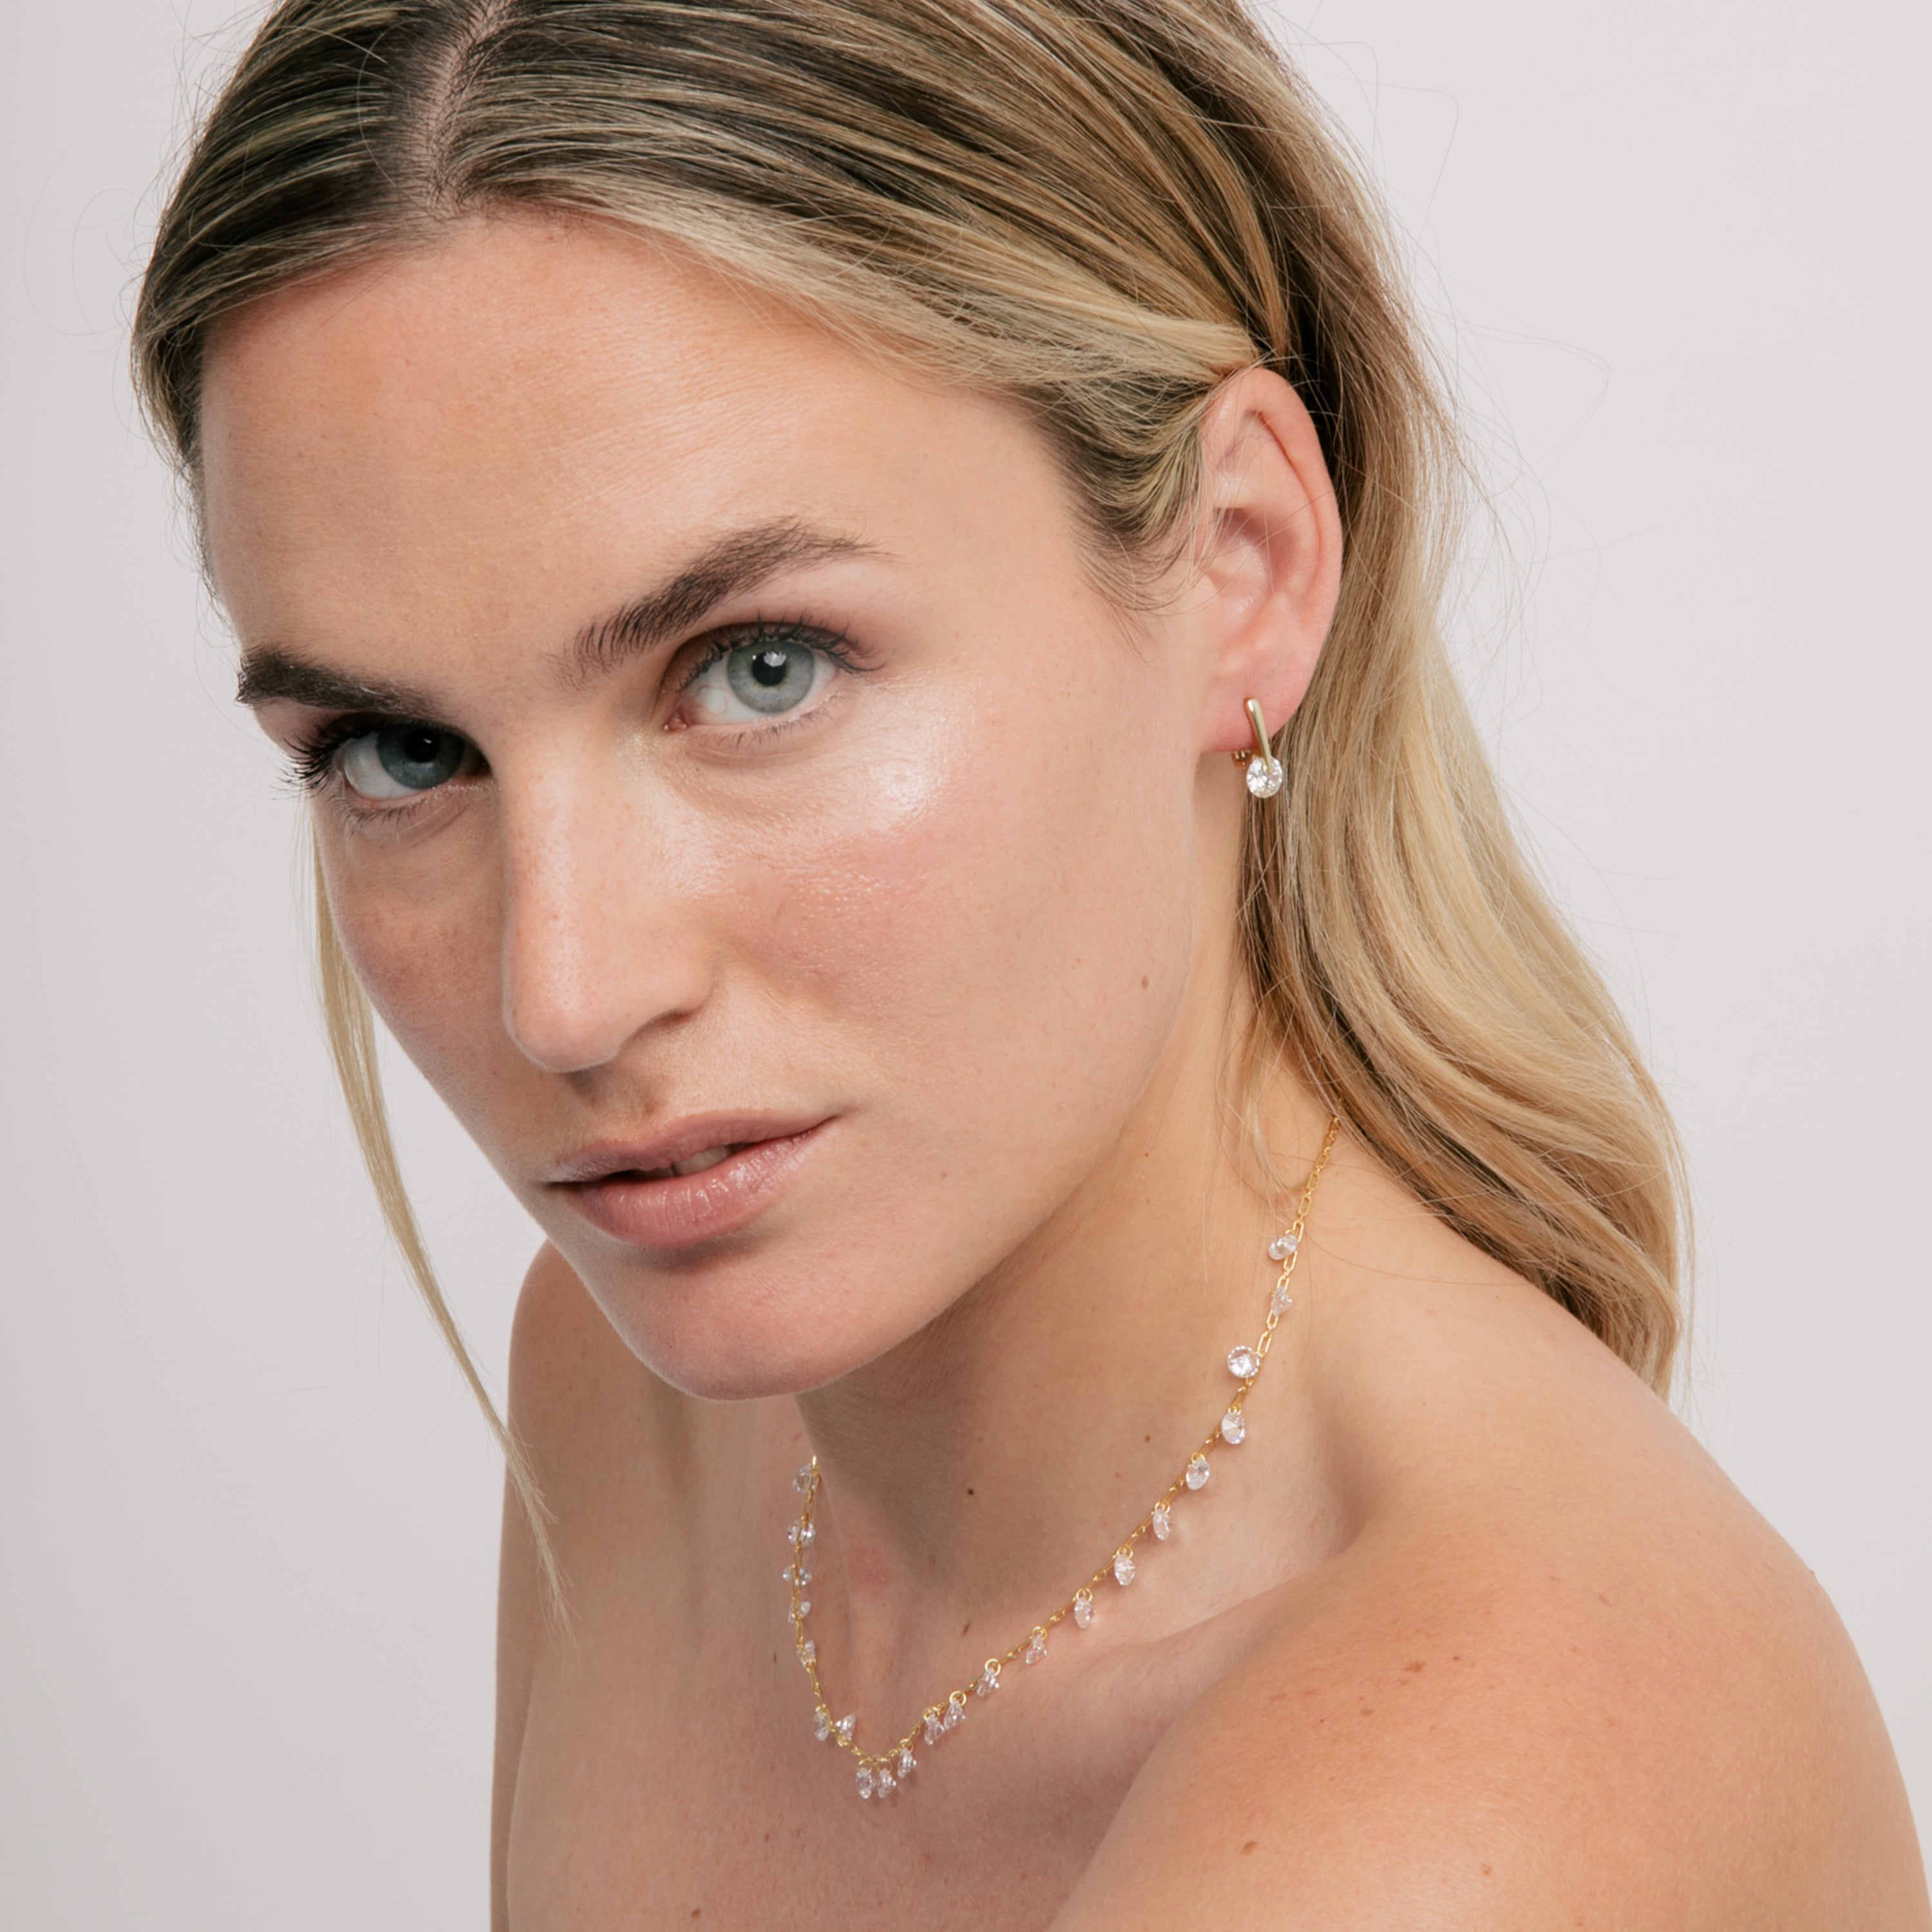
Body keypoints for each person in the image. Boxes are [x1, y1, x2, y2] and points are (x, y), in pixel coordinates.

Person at [134, 0, 1927, 1923]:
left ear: (1241, 561)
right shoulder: (635, 1402)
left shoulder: (1477, 1782)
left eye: (760, 670)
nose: (562, 994)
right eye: (400, 754)